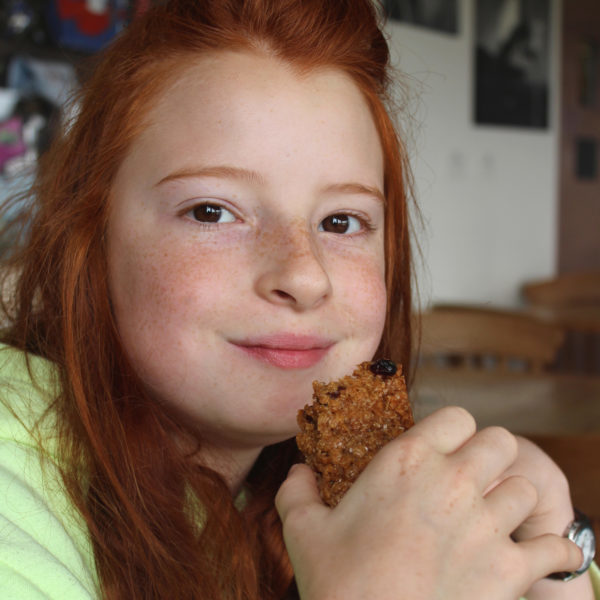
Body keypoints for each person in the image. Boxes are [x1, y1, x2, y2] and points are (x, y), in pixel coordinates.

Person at [0, 1, 597, 599]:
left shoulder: (298, 486)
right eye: (212, 211)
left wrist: (557, 567)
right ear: (88, 238)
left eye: (341, 221)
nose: (306, 276)